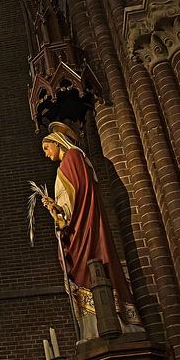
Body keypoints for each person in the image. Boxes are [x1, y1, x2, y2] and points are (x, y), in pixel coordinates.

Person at [40, 122, 143, 341]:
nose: (47, 155)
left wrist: (60, 214)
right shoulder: (73, 160)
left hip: (82, 226)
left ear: (57, 143)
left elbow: (77, 196)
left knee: (87, 265)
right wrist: (56, 210)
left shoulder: (72, 159)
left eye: (47, 149)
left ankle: (111, 319)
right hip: (79, 222)